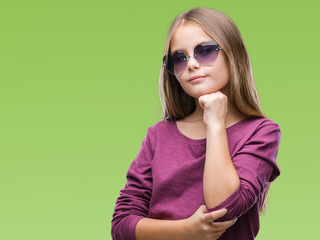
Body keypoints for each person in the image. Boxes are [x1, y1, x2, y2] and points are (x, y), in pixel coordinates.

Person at [111, 7, 281, 240]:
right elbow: (122, 225)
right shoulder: (158, 135)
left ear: (234, 54)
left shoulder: (261, 132)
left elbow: (223, 208)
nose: (191, 64)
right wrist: (186, 231)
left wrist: (215, 124)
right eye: (179, 58)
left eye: (205, 51)